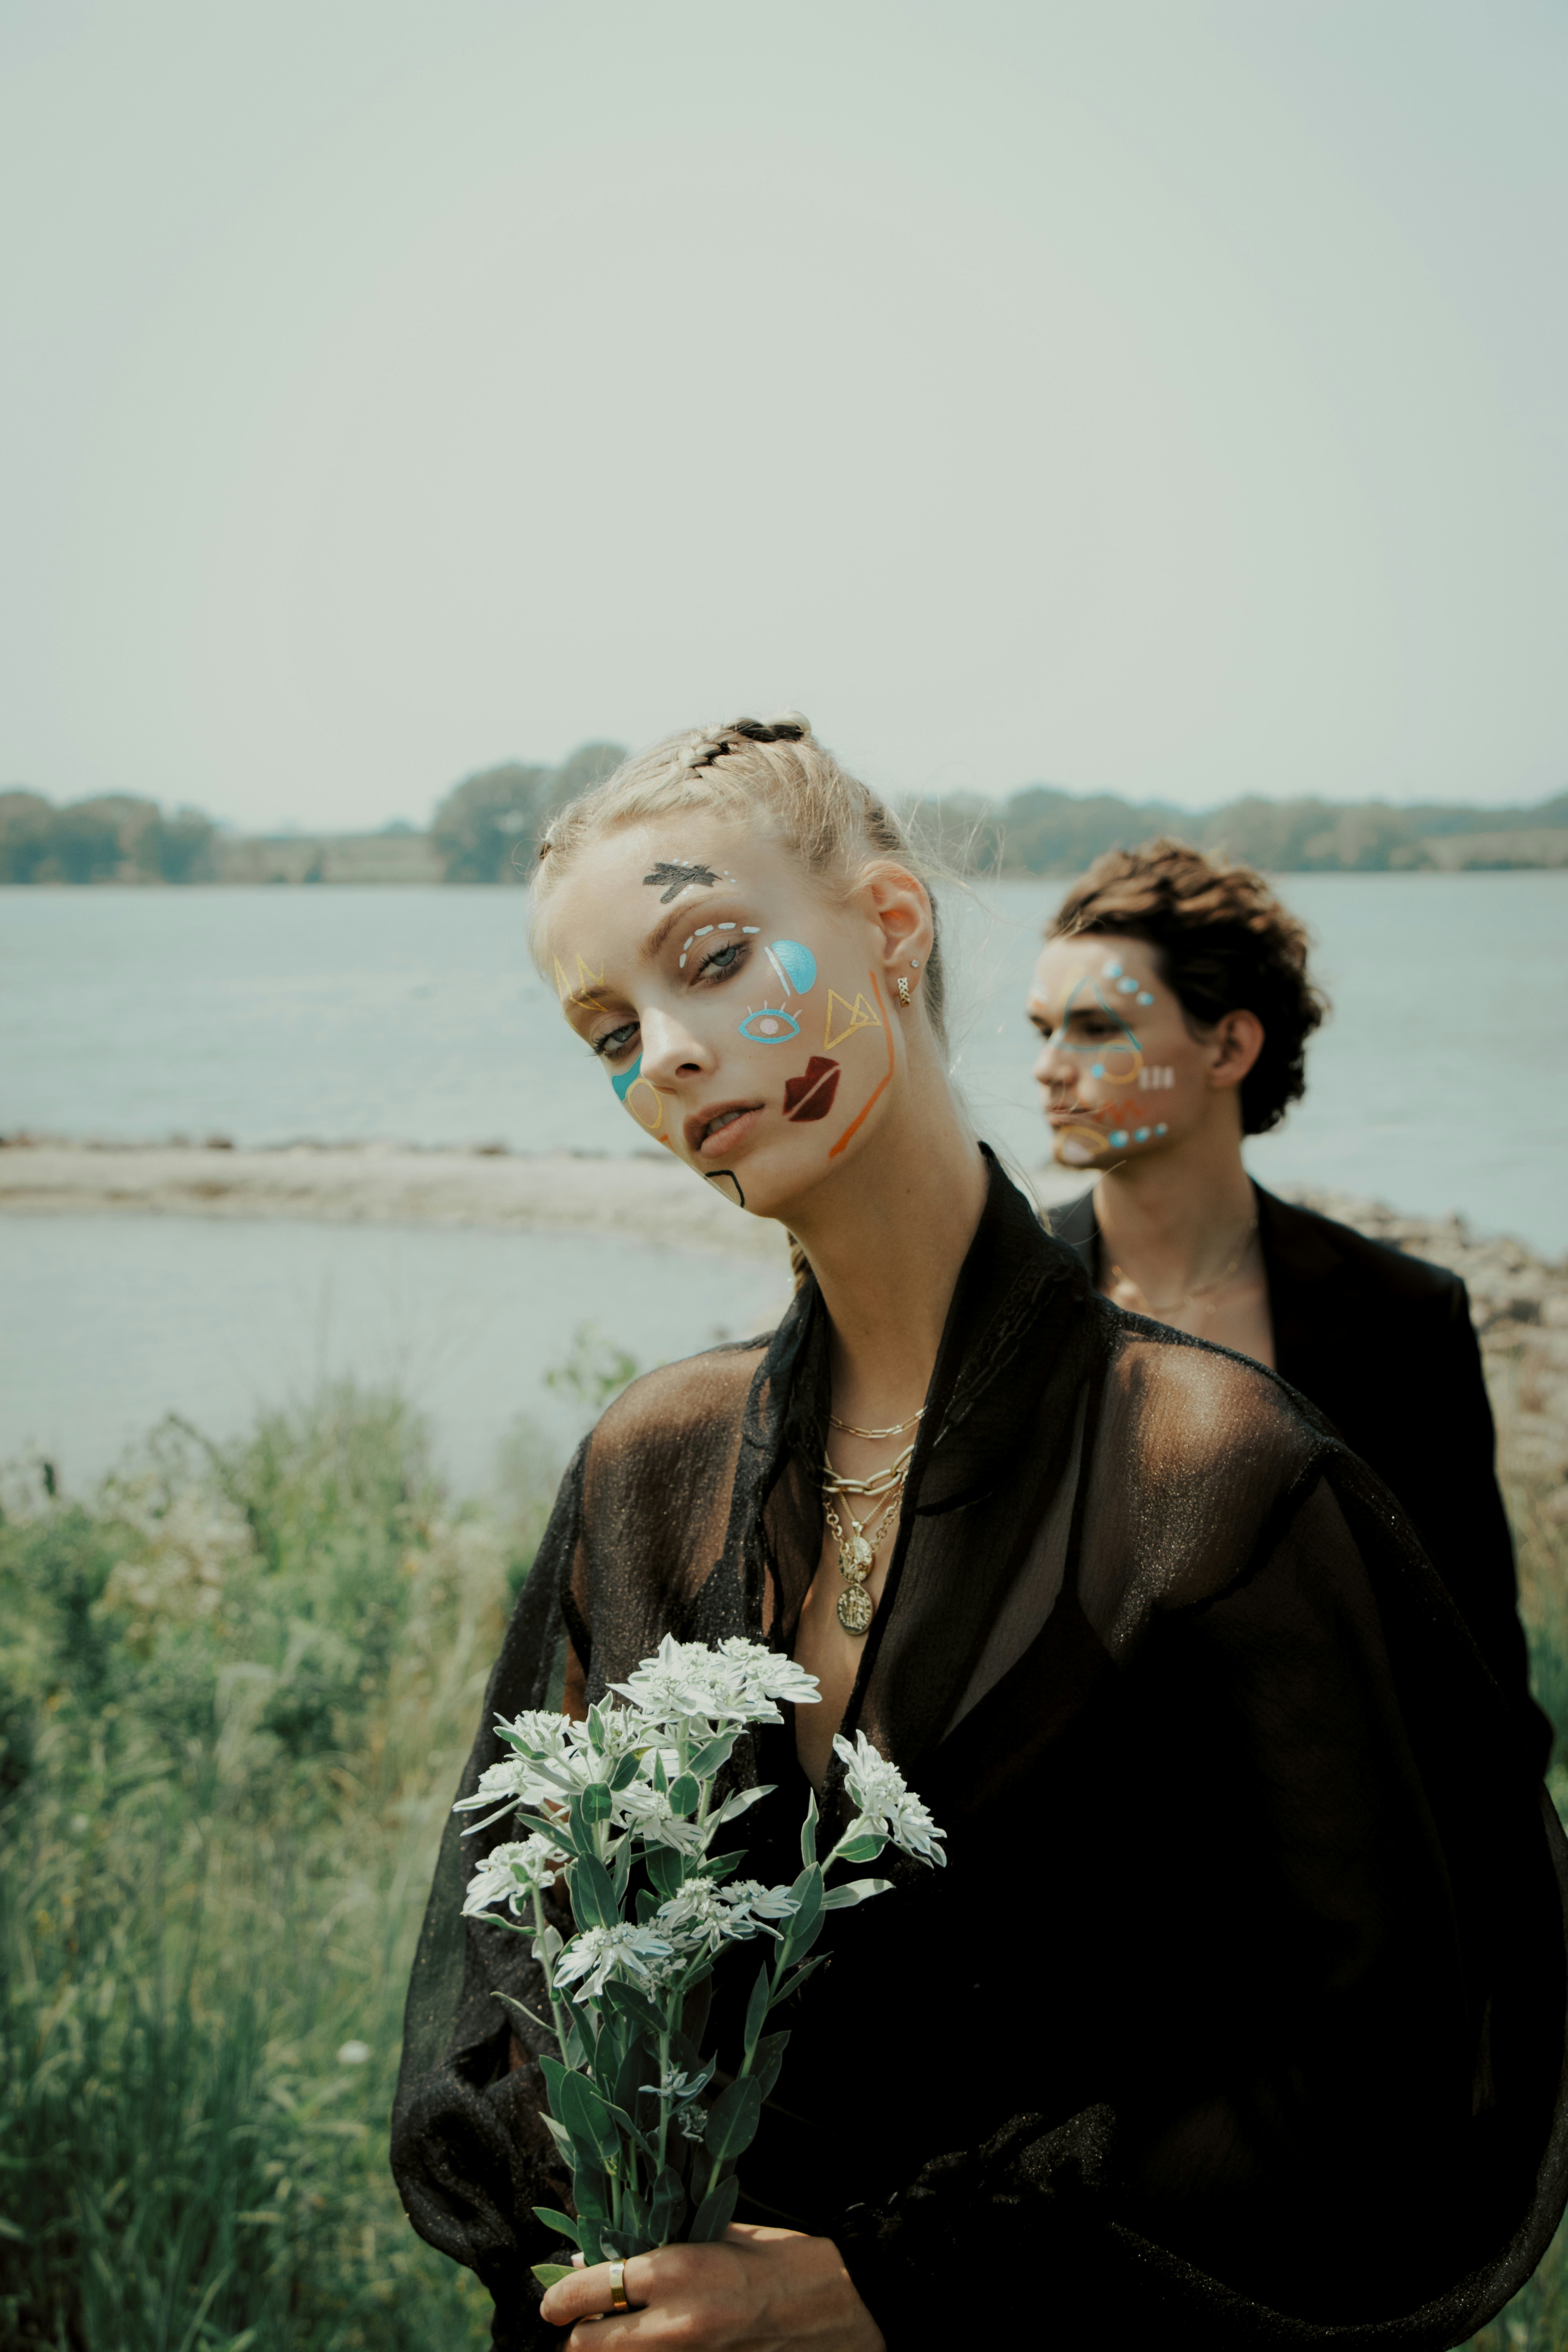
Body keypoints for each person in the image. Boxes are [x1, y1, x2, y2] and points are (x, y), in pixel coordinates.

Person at [392, 718, 1567, 2352]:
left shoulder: (1207, 1478)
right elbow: (518, 1977)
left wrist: (887, 2285)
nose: (662, 1051)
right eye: (607, 1028)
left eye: (713, 958)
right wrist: (615, 2213)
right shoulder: (653, 1466)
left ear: (889, 927)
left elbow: (1389, 2062)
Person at [1027, 839, 1550, 1773]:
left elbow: (1474, 1670)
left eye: (1097, 1028)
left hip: (1337, 1855)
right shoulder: (1009, 1299)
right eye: (1042, 1031)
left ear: (1228, 1045)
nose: (1050, 1069)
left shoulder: (1401, 1318)